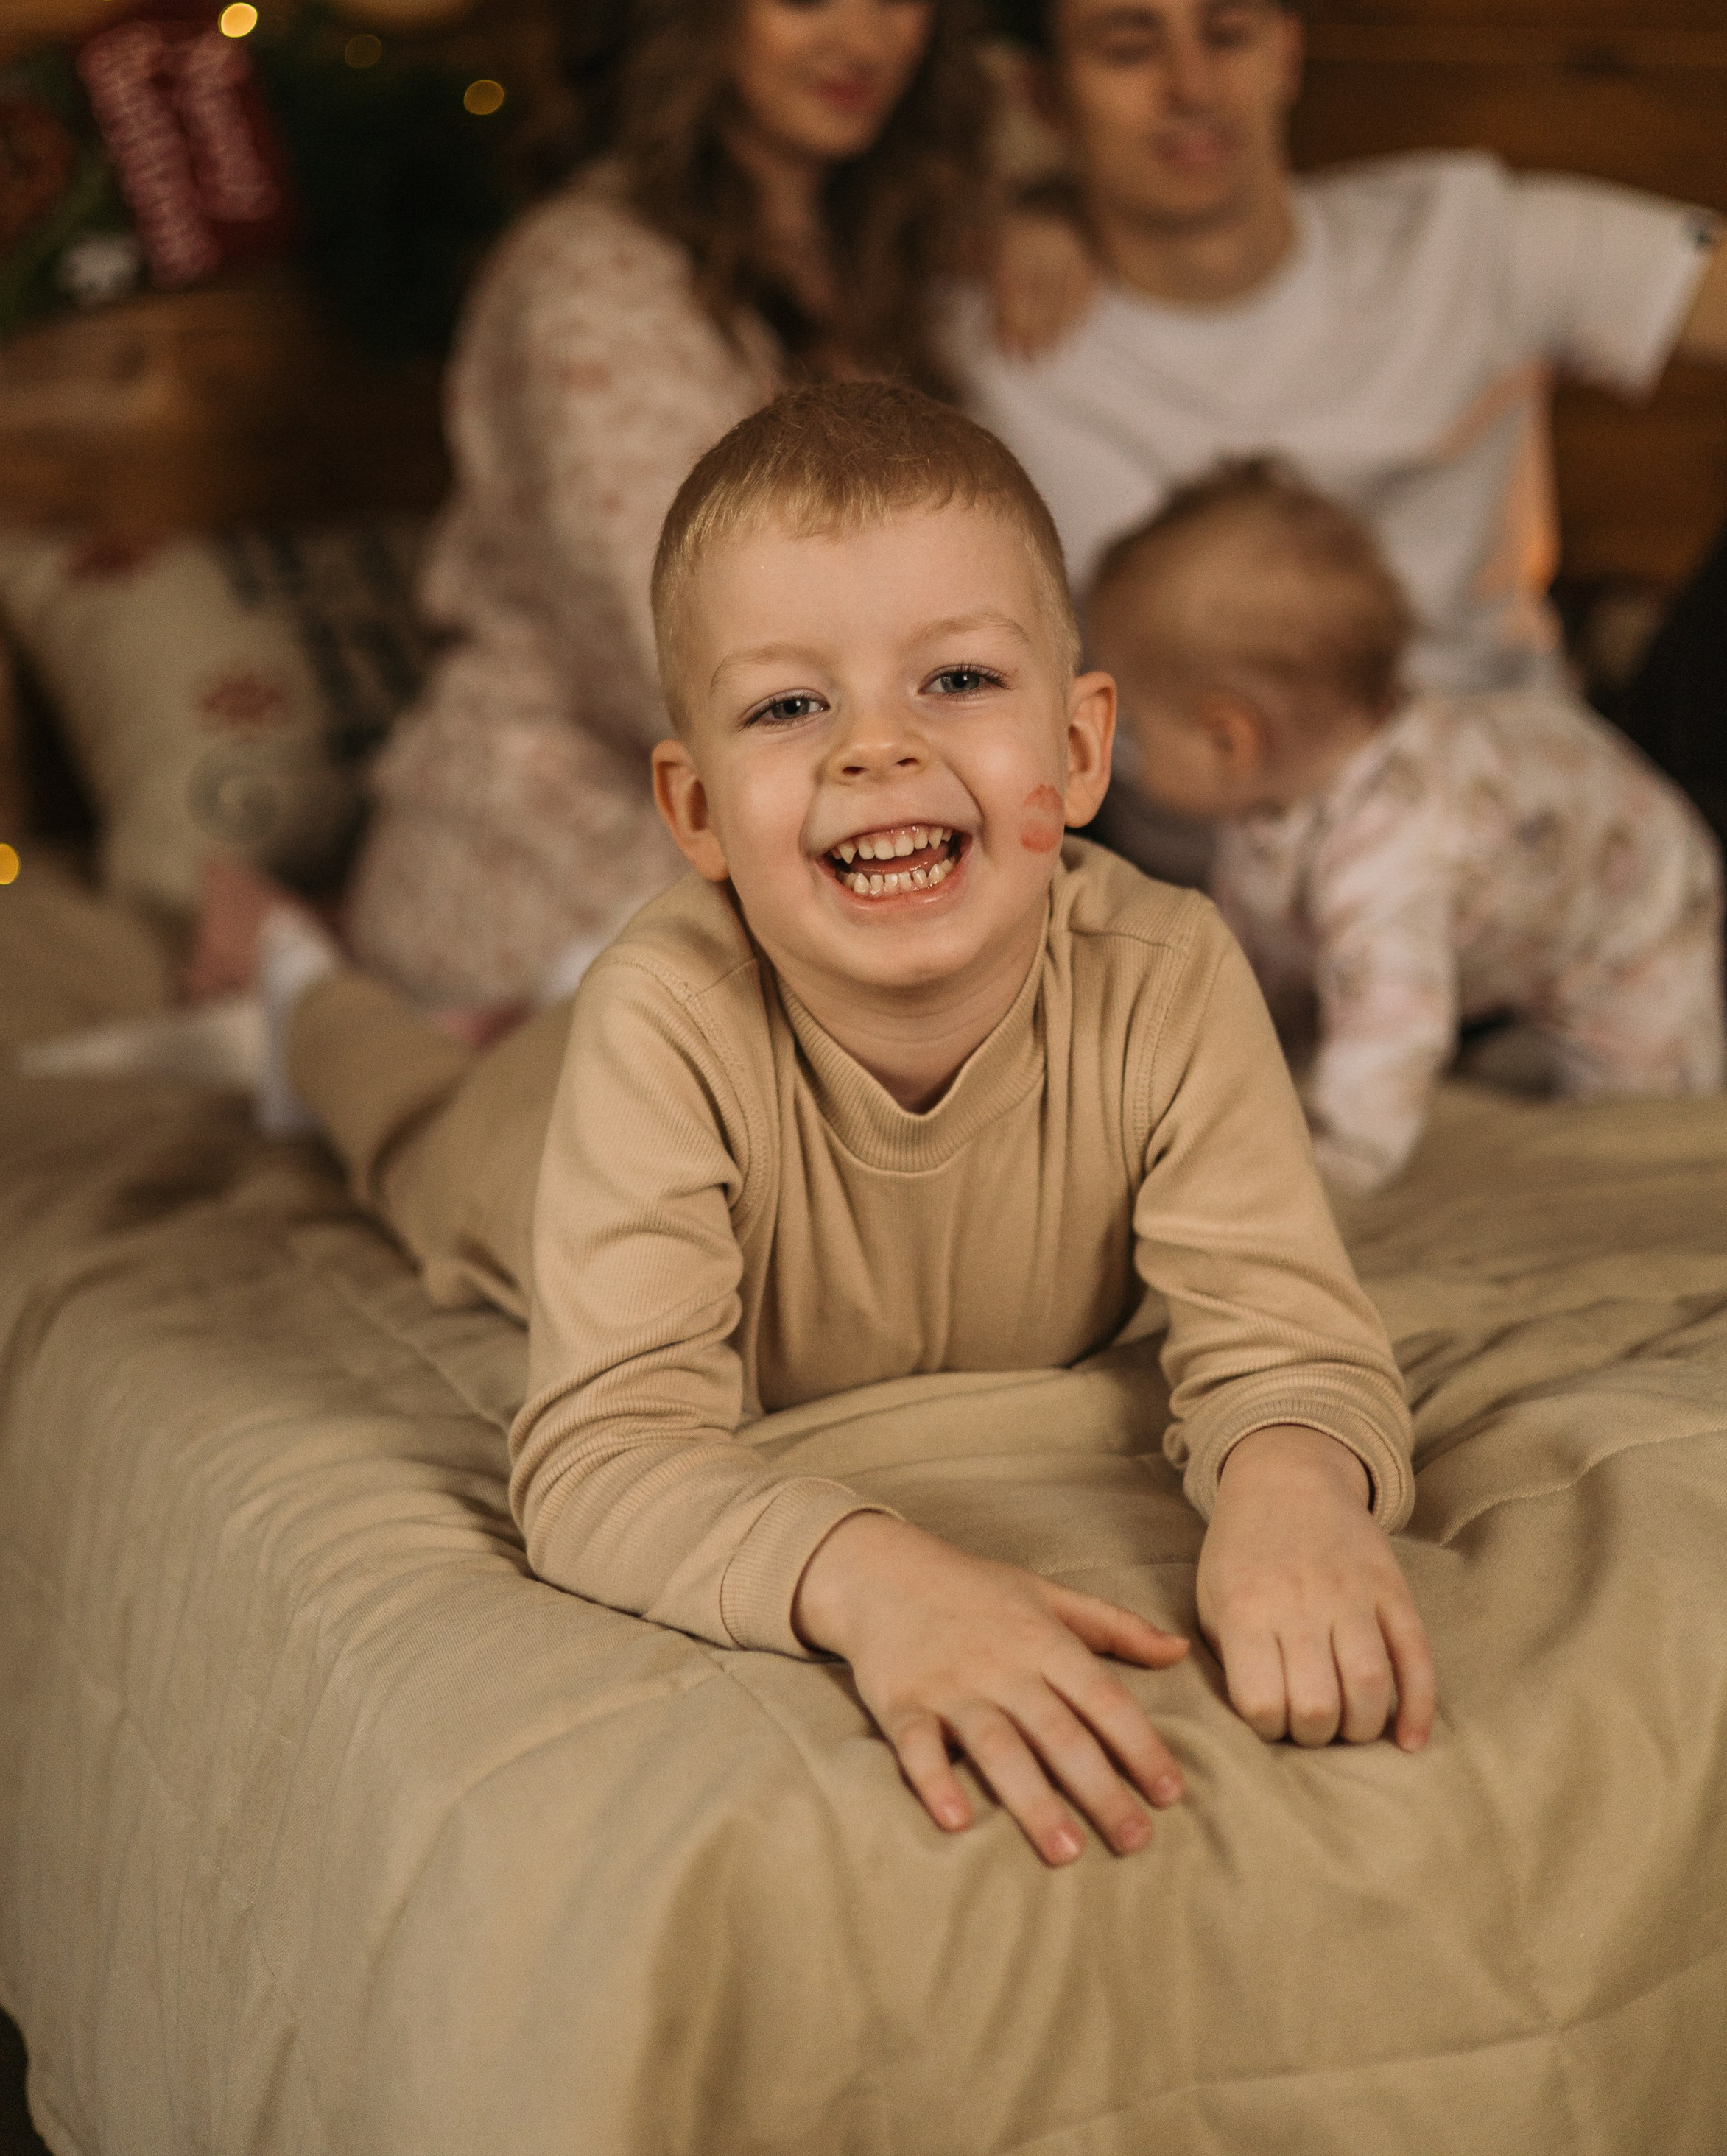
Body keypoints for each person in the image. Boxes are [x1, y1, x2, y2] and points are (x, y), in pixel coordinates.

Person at [272, 384, 1434, 1870]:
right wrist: (878, 1582)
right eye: (786, 706)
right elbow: (600, 1457)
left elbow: (1283, 1333)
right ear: (693, 815)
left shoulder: (1166, 975)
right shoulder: (666, 1022)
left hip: (672, 1047)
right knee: (401, 1112)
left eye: (954, 680)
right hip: (534, 1124)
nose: (873, 750)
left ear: (1078, 755)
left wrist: (1289, 1488)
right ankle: (296, 983)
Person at [190, 0, 993, 1018]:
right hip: (555, 850)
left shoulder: (889, 262)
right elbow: (695, 662)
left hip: (835, 828)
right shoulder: (586, 276)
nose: (865, 40)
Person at [963, 0, 1727, 857]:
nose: (1192, 85)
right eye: (1128, 45)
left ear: (1287, 51)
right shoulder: (978, 345)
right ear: (1045, 97)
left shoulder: (1461, 234)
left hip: (1542, 840)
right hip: (1225, 909)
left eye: (1227, 31)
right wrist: (1010, 211)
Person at [1085, 459, 1725, 1191]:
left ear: (1229, 739)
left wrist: (1325, 1167)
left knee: (1646, 1133)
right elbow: (1261, 950)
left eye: (1132, 725)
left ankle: (1580, 1046)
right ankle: (1525, 1034)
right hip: (1543, 817)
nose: (1116, 744)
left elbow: (1392, 1040)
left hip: (1633, 903)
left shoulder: (1393, 862)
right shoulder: (1281, 786)